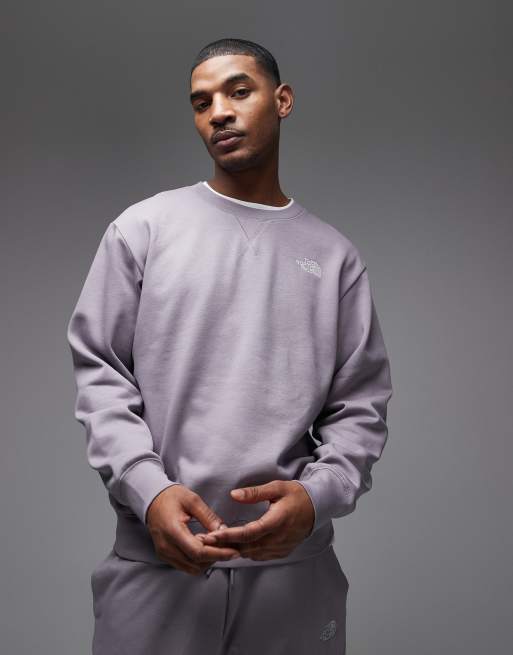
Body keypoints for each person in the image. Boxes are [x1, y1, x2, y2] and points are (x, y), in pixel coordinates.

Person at [66, 37, 393, 655]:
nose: (218, 112)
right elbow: (100, 375)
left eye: (239, 91)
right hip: (156, 568)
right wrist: (150, 491)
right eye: (201, 102)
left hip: (293, 577)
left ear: (282, 100)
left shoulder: (335, 258)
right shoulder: (143, 230)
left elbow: (360, 407)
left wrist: (314, 498)